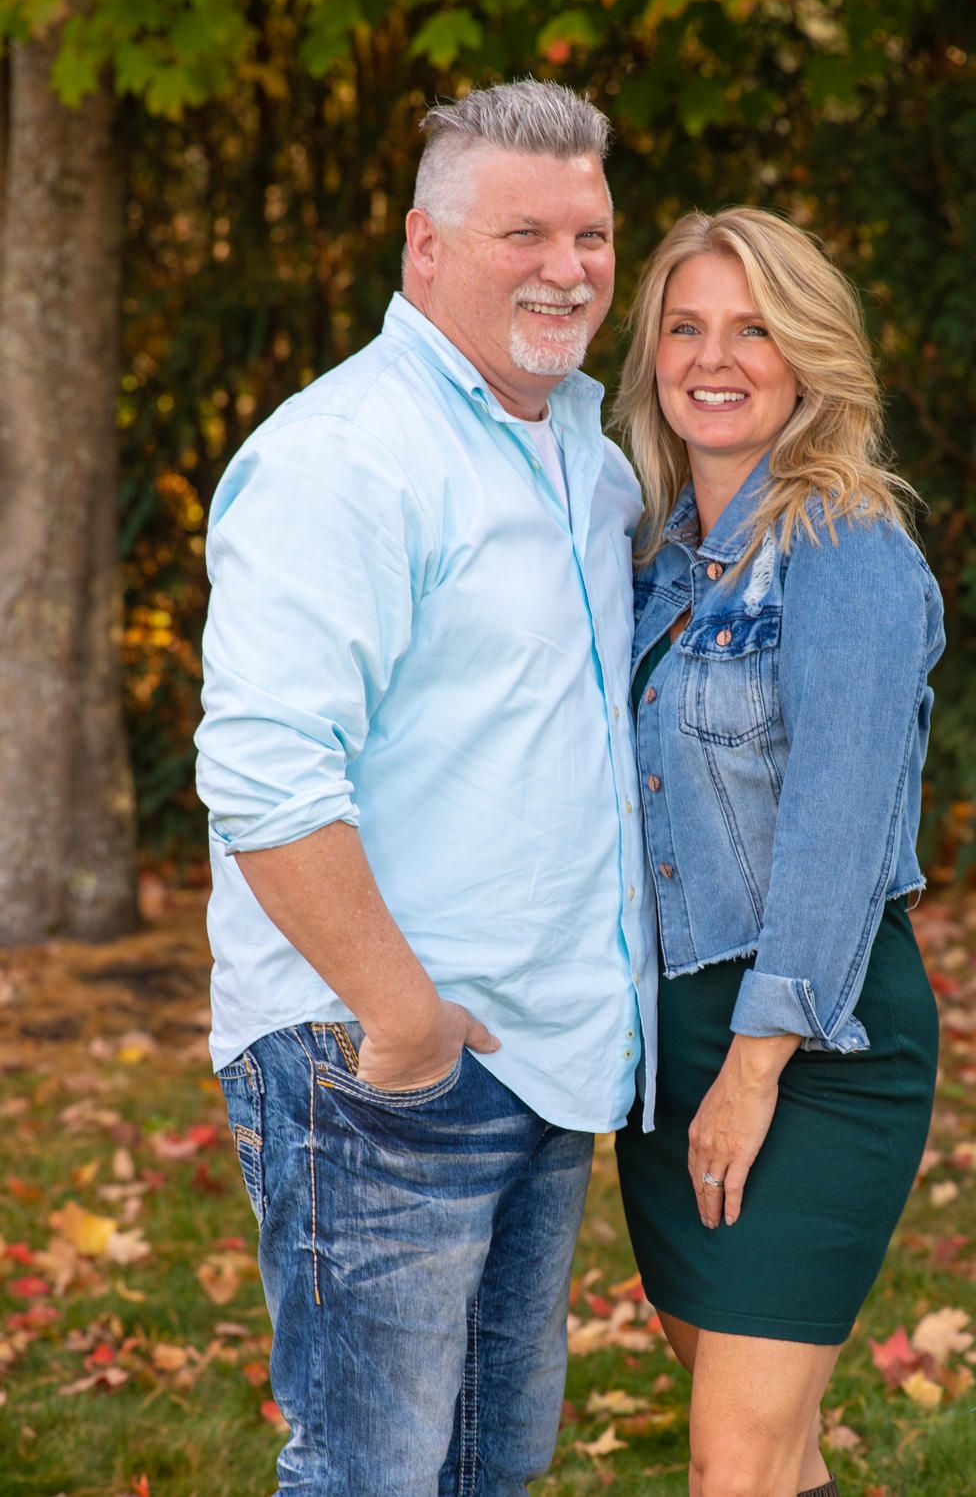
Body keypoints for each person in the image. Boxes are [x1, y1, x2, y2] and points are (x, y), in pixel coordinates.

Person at [193, 80, 657, 1496]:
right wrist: (402, 1020)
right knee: (369, 1476)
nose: (568, 270)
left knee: (484, 1474)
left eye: (590, 234)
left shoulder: (585, 446)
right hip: (384, 1060)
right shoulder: (344, 455)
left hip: (535, 1053)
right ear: (425, 248)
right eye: (525, 233)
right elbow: (266, 773)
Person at [612, 207, 946, 1497]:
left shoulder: (843, 547)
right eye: (686, 326)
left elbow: (838, 834)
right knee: (770, 1439)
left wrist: (755, 1068)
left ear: (808, 354)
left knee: (733, 1462)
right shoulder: (652, 556)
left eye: (754, 328)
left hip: (812, 1043)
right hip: (670, 1040)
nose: (717, 356)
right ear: (651, 357)